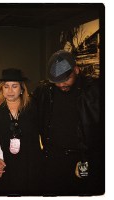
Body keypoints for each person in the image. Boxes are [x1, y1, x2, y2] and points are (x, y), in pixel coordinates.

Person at [32, 50, 104, 195]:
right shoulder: (44, 90)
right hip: (52, 158)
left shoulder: (96, 90)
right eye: (56, 81)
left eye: (66, 78)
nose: (61, 84)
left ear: (76, 70)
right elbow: (28, 109)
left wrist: (92, 158)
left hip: (82, 159)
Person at [0, 68, 43, 195]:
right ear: (1, 89)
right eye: (6, 86)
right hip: (4, 164)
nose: (10, 91)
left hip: (29, 165)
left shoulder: (33, 107)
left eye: (14, 86)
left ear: (22, 89)